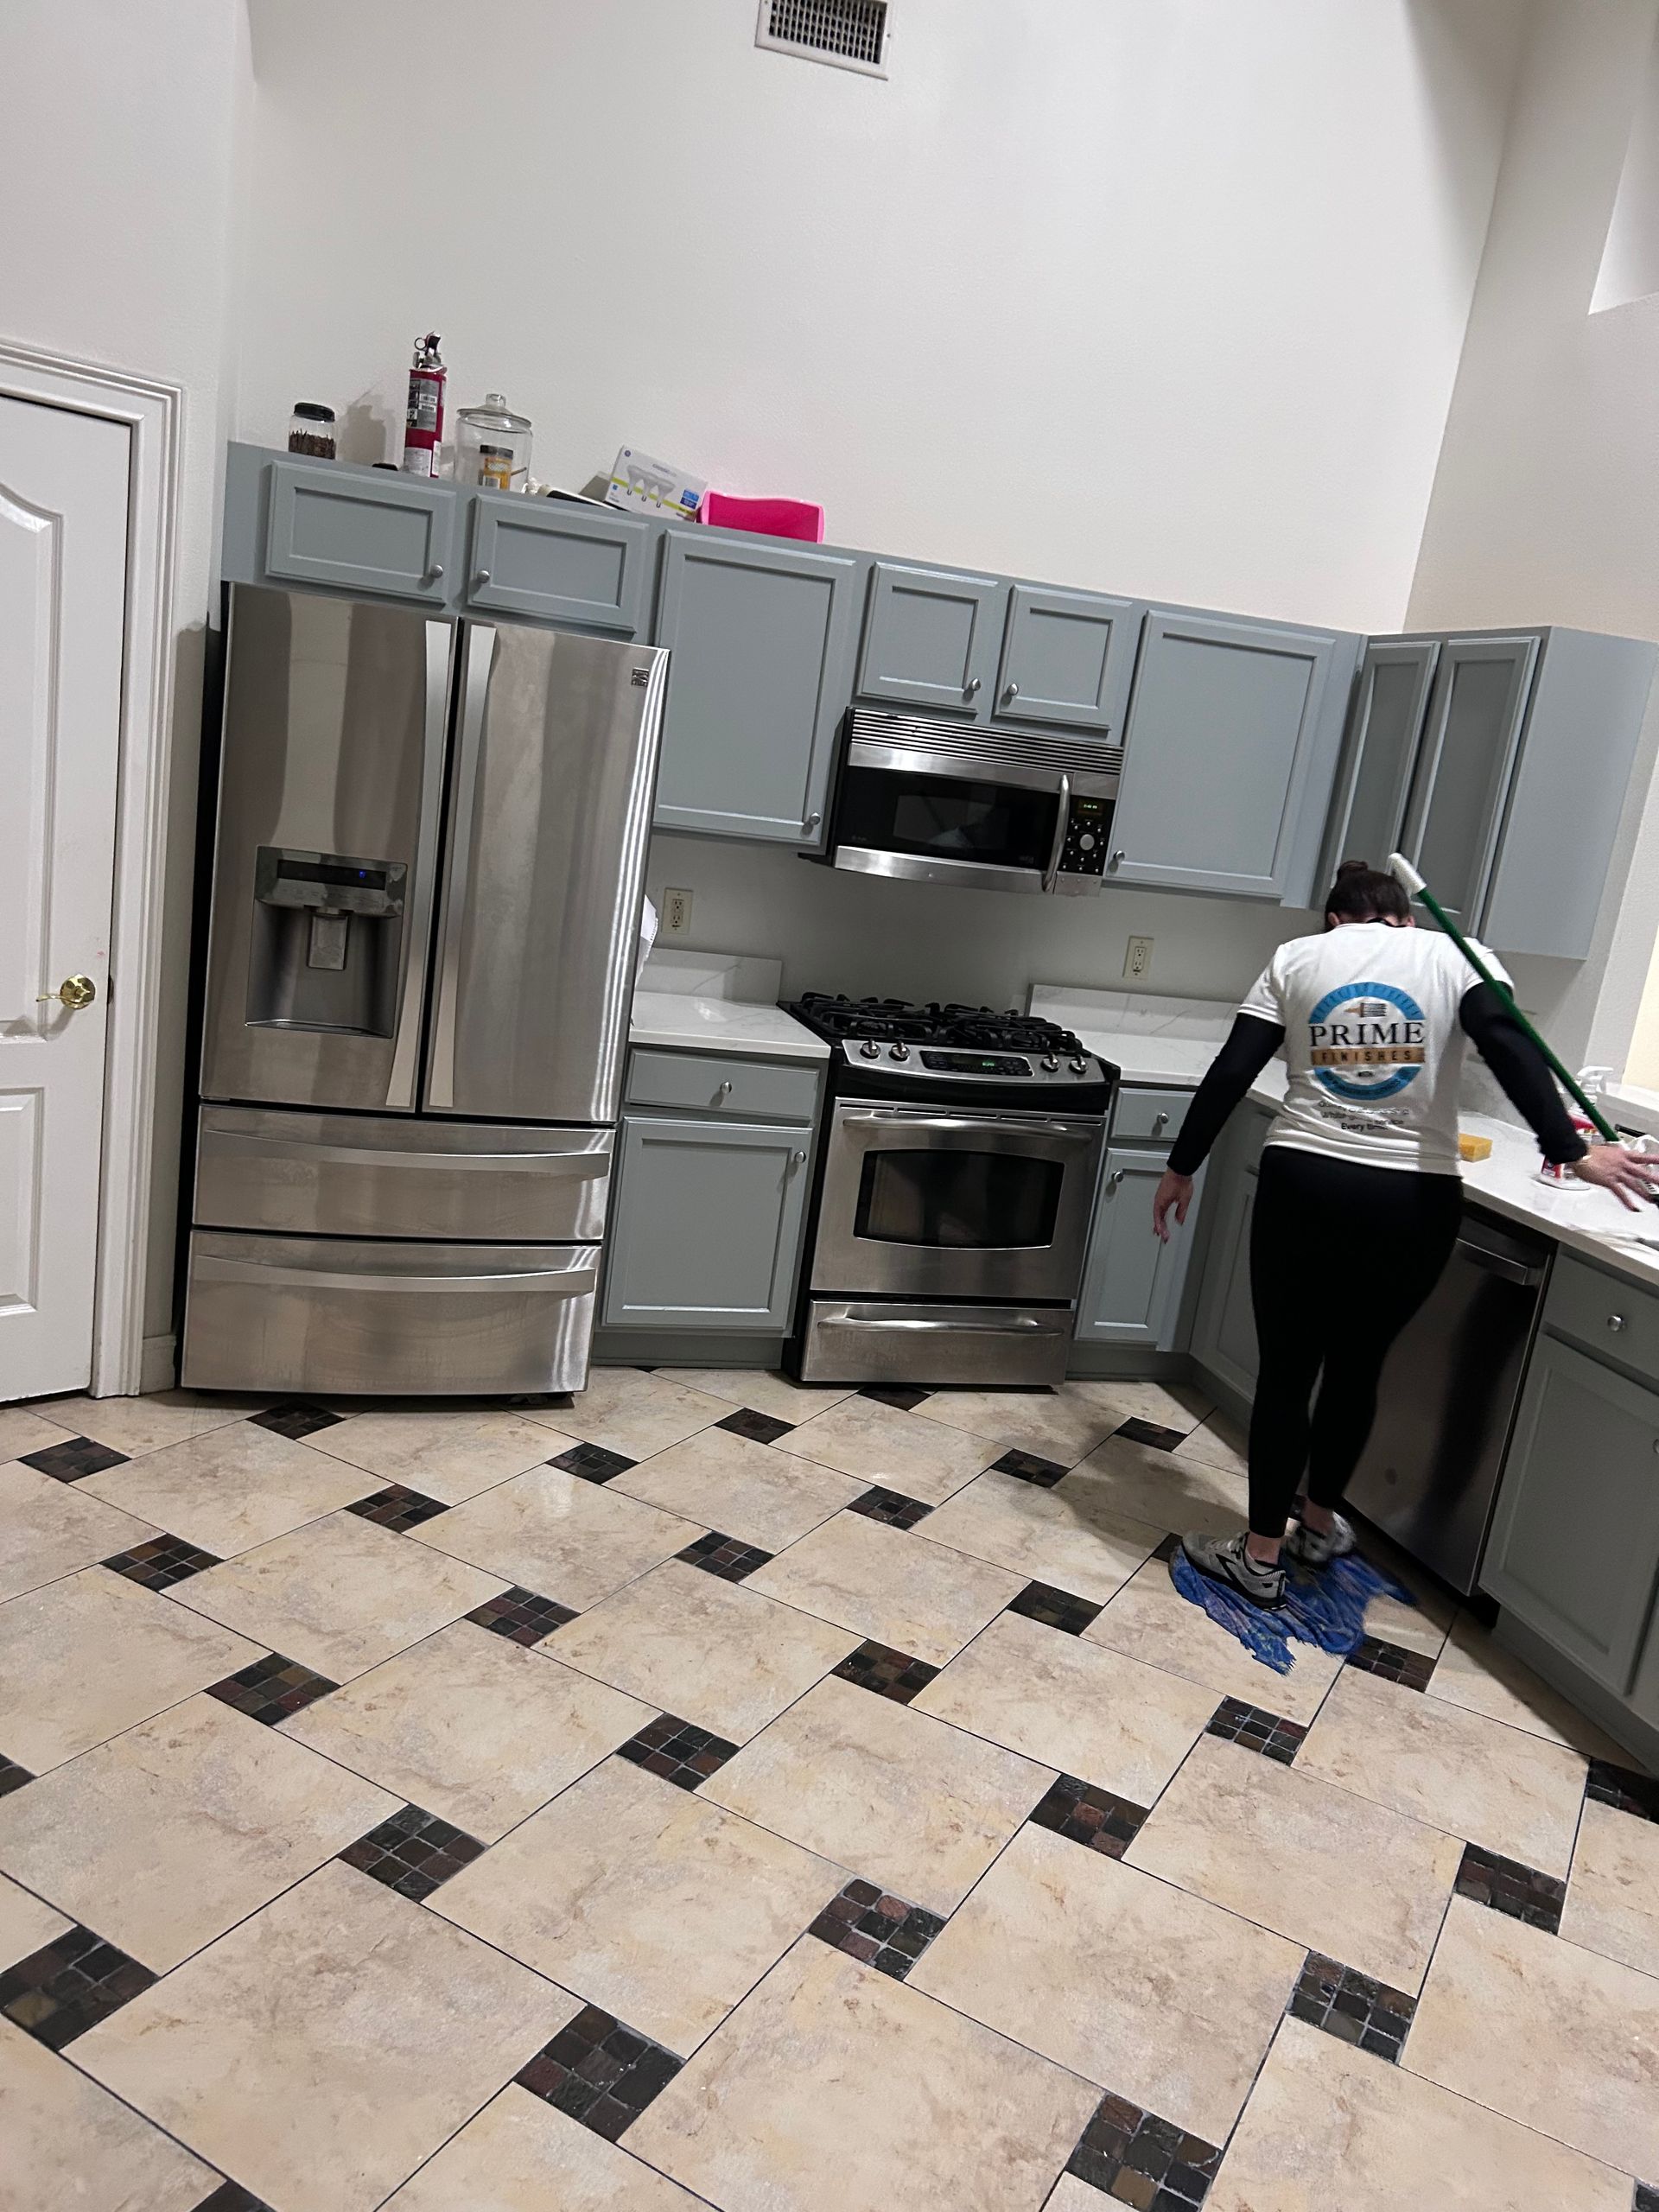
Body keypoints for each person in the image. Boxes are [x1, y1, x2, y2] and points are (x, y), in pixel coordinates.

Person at [1154, 860, 1659, 1608]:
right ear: (1407, 918)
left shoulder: (1299, 958)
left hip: (1307, 1183)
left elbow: (1232, 1070)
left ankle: (1259, 1558)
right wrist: (1571, 1149)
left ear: (1335, 918)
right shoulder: (1458, 954)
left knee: (1290, 1374)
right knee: (1358, 1367)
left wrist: (1181, 1165)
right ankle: (1318, 1527)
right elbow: (1511, 1047)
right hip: (1415, 1198)